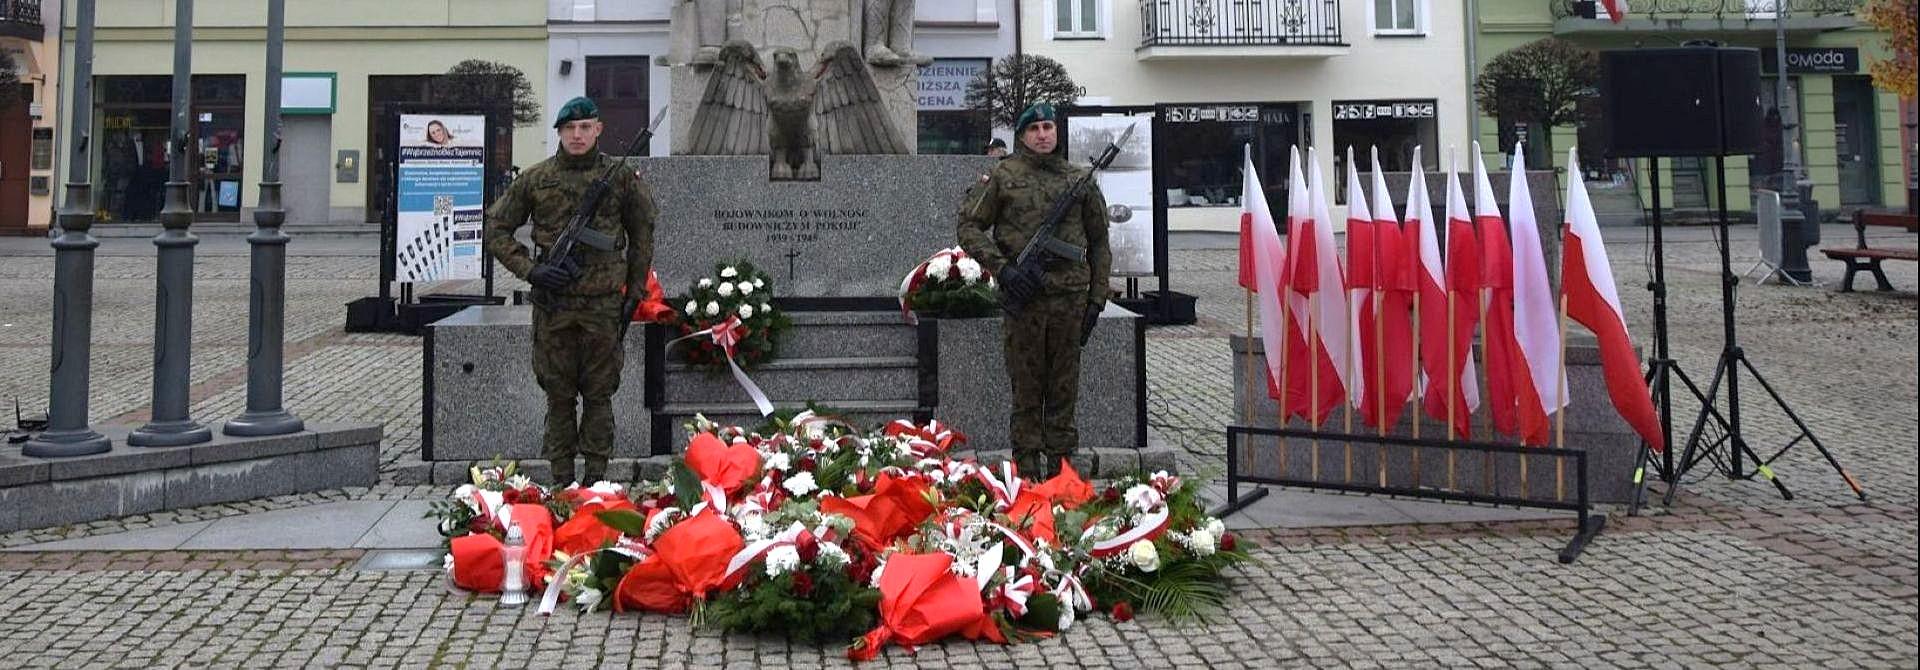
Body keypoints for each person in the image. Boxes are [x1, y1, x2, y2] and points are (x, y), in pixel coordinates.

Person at [483, 97, 657, 486]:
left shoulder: (620, 177)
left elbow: (642, 233)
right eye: (569, 129)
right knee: (558, 397)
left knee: (599, 397)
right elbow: (495, 228)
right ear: (559, 132)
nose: (577, 136)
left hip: (603, 306)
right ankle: (560, 484)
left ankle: (596, 483)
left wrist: (636, 289)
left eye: (585, 128)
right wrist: (532, 270)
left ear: (598, 130)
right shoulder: (536, 178)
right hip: (554, 306)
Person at [956, 103, 1112, 478]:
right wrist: (1004, 270)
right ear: (1022, 135)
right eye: (1034, 129)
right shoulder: (1003, 176)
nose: (1043, 135)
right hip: (1024, 302)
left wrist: (1096, 299)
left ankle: (1062, 479)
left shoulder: (1079, 180)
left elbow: (1101, 243)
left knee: (1063, 392)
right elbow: (969, 227)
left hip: (1069, 302)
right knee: (1026, 392)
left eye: (1048, 127)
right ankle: (1026, 476)